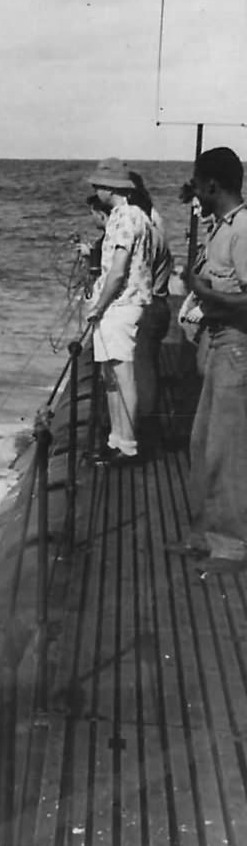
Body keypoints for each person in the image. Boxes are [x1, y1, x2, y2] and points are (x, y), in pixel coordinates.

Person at [184, 146, 247, 571]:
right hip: (220, 340)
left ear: (213, 185)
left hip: (238, 346)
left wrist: (205, 294)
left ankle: (232, 544)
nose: (196, 194)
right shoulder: (222, 228)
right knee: (203, 443)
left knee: (228, 448)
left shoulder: (243, 230)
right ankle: (206, 533)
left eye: (199, 186)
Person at [85, 157, 157, 464]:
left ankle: (127, 443)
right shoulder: (126, 215)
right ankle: (116, 438)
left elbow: (117, 270)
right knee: (110, 375)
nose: (95, 189)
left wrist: (98, 306)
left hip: (122, 303)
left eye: (98, 185)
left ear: (109, 187)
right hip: (116, 304)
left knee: (122, 374)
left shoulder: (126, 217)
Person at [128, 171, 175, 439]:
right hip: (159, 304)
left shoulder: (146, 233)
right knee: (148, 369)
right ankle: (148, 426)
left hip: (150, 305)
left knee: (143, 372)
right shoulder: (155, 226)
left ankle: (143, 432)